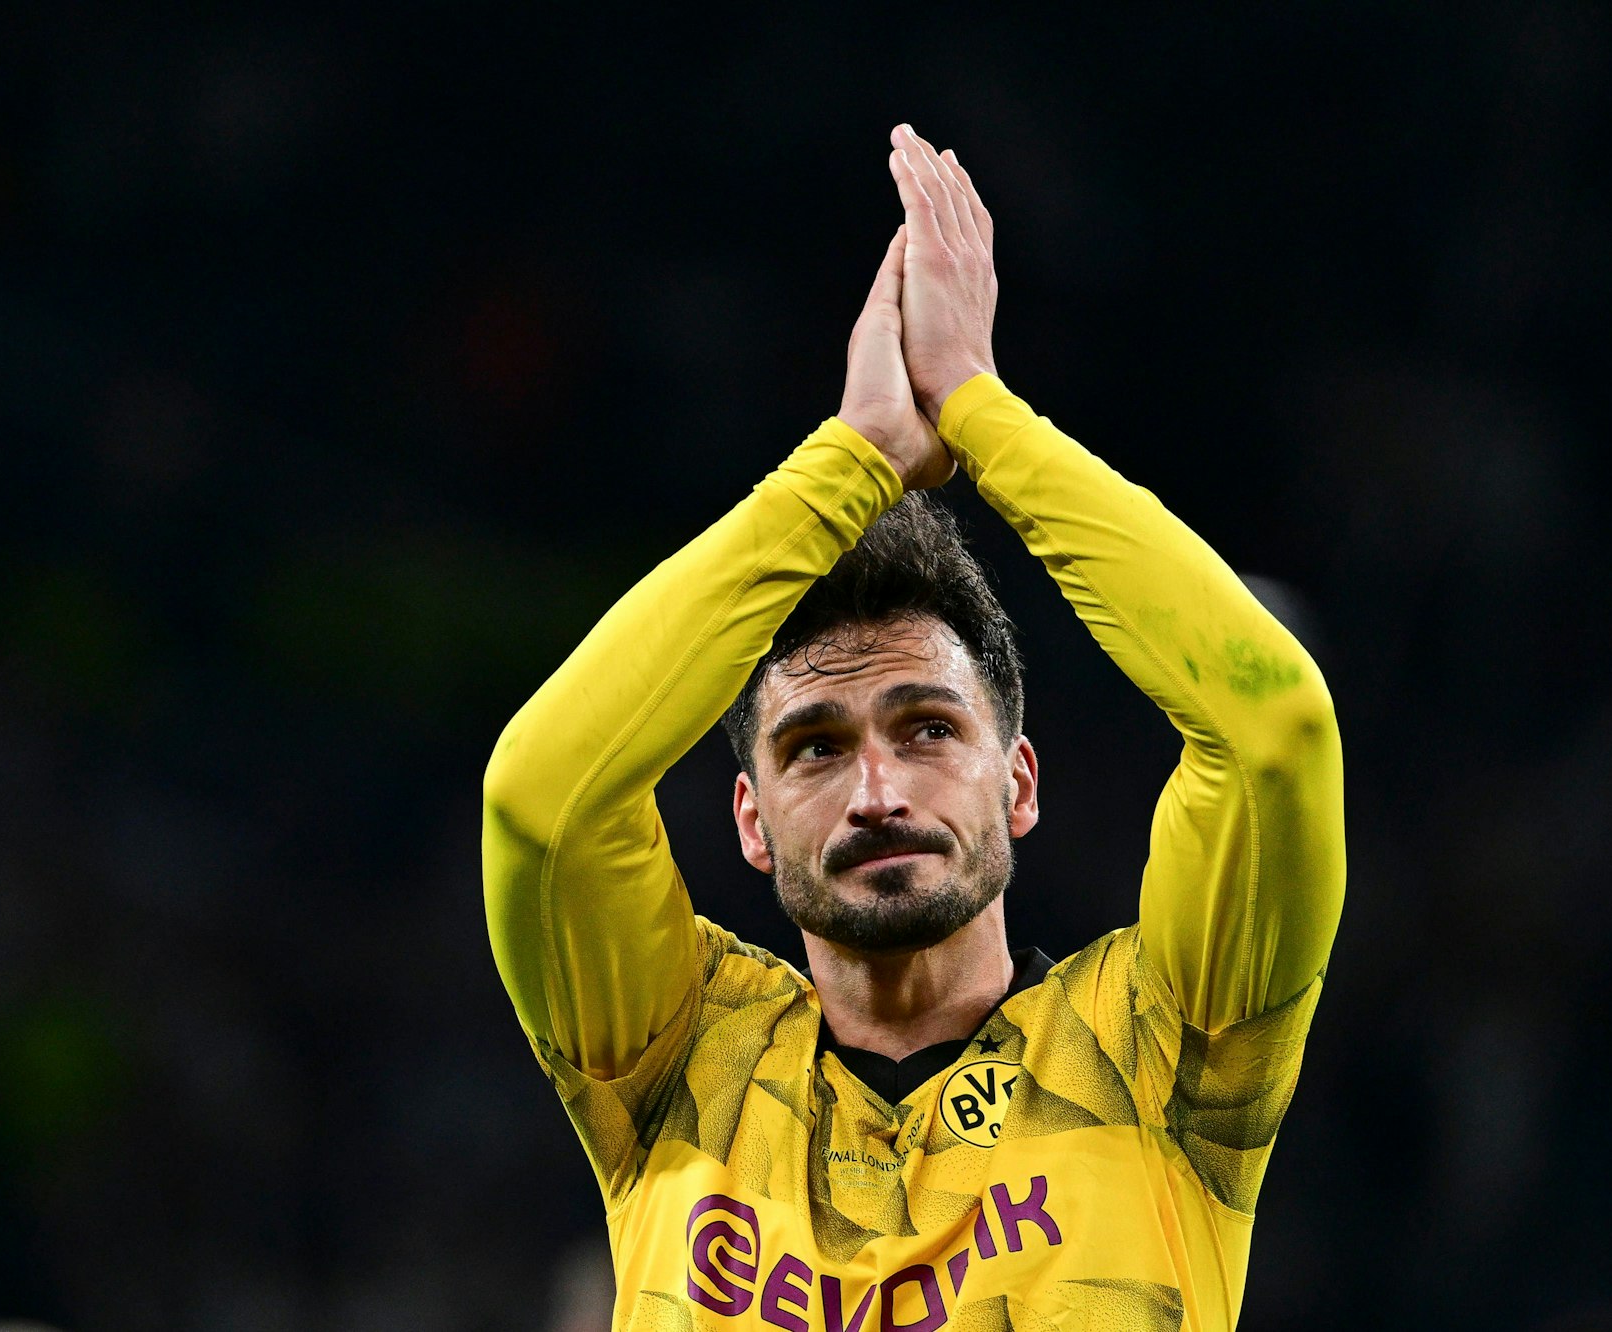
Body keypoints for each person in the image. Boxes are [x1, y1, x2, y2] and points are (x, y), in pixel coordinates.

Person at [483, 123, 1346, 1331]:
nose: (877, 789)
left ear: (1020, 783)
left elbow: (1273, 726)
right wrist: (855, 461)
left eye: (930, 729)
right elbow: (541, 800)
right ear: (750, 818)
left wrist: (985, 415)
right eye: (815, 746)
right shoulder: (678, 1068)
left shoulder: (1162, 1055)